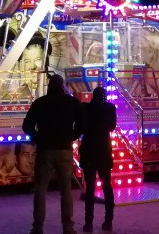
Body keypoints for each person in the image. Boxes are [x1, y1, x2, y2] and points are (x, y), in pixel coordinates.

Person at [22, 74, 84, 234]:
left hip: (45, 150)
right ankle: (68, 227)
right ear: (62, 86)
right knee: (66, 189)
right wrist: (72, 136)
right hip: (64, 149)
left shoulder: (40, 102)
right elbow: (82, 123)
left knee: (41, 189)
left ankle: (37, 227)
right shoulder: (72, 102)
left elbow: (27, 126)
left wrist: (37, 138)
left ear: (49, 86)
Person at [79, 86, 116, 232]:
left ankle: (88, 223)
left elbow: (81, 126)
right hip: (104, 151)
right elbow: (112, 127)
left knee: (90, 188)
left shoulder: (86, 108)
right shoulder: (109, 108)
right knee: (107, 186)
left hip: (89, 150)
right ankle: (108, 221)